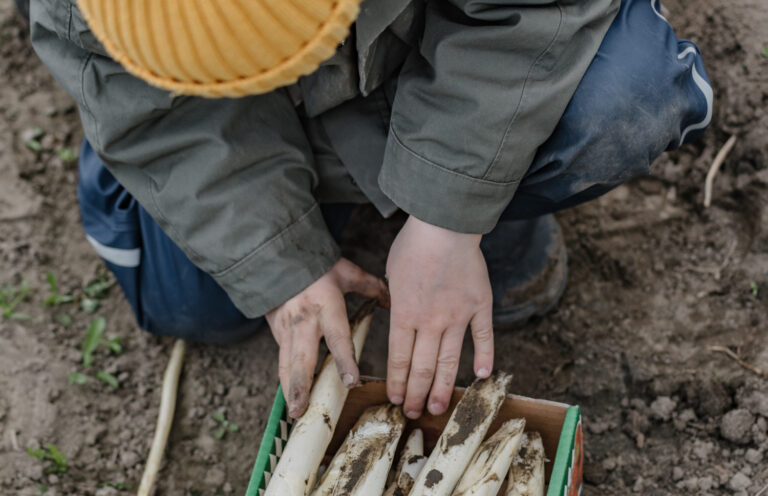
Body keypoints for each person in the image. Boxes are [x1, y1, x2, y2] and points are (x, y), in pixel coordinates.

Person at [27, 0, 711, 420]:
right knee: (196, 305)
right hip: (250, 117)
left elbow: (533, 13)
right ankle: (341, 202)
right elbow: (156, 116)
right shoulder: (97, 14)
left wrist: (448, 216)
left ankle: (489, 213)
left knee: (621, 100)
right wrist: (279, 261)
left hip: (419, 44)